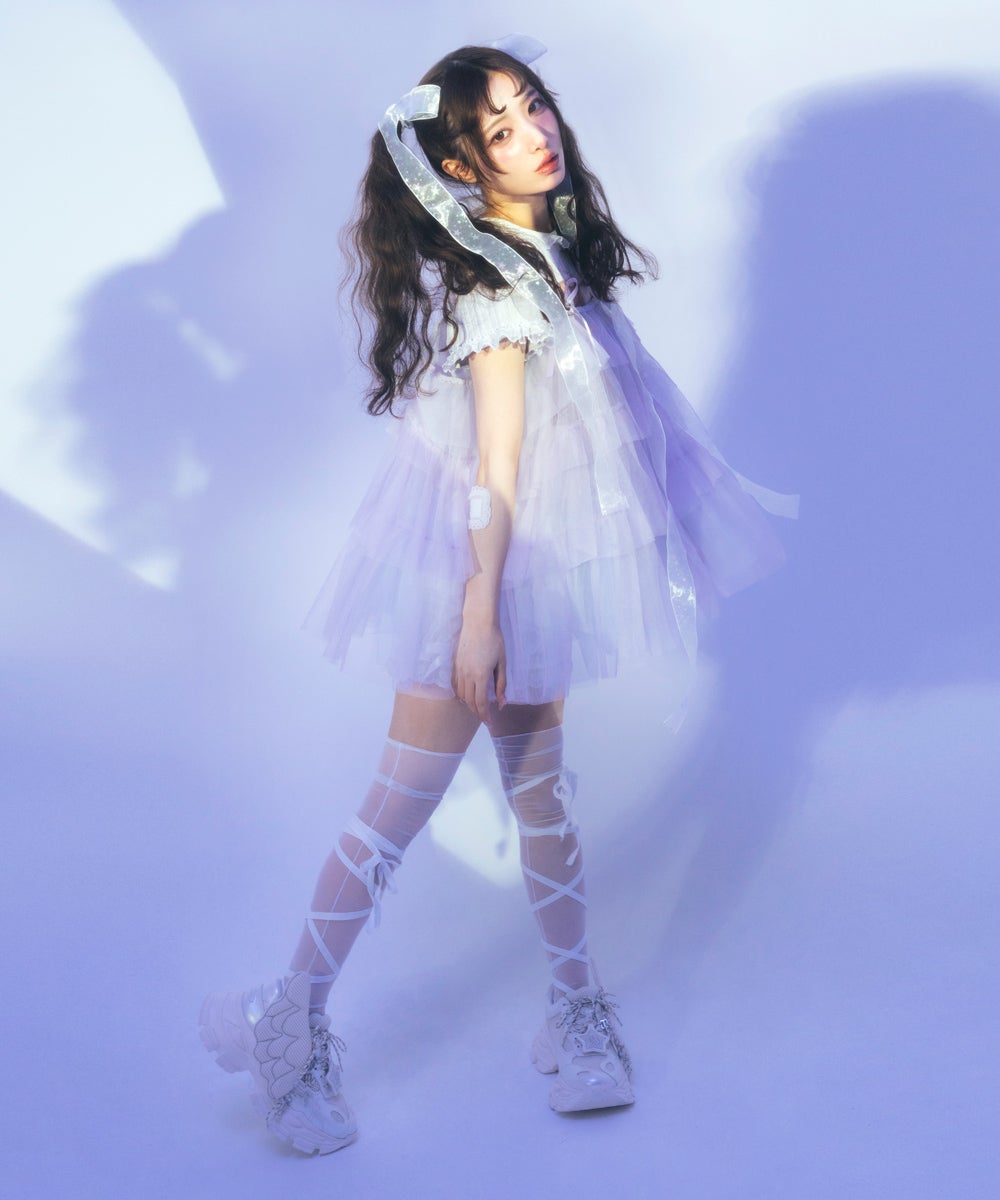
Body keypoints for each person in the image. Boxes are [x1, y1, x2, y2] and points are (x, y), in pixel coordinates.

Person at [198, 37, 793, 1156]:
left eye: (533, 108)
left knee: (542, 798)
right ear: (462, 170)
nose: (535, 134)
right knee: (397, 809)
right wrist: (478, 616)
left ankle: (574, 1011)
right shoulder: (492, 292)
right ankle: (290, 1019)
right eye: (501, 129)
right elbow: (496, 467)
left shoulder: (547, 259)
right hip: (476, 574)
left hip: (533, 568)